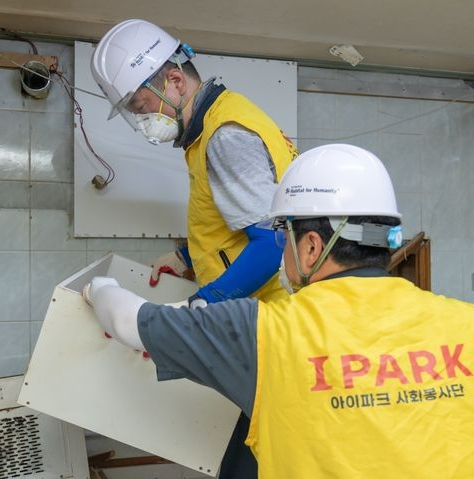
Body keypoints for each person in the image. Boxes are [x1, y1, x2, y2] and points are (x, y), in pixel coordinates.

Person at [83, 143, 474, 478]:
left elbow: (126, 319)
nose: (281, 250)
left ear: (312, 246)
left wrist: (97, 286)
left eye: (283, 236)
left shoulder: (264, 332)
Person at [90, 18, 298, 478]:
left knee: (252, 461)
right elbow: (241, 216)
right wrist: (184, 257)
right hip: (259, 319)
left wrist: (203, 304)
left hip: (269, 323)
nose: (141, 120)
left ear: (174, 80)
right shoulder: (217, 126)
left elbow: (273, 244)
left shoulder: (226, 136)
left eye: (141, 105)